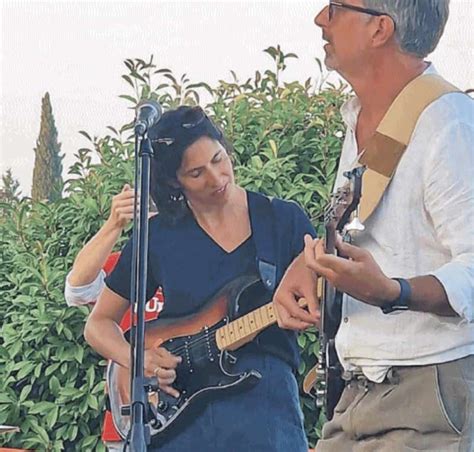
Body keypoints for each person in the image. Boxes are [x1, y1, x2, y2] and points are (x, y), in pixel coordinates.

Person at [274, 1, 474, 451]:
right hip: (360, 393)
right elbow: (368, 228)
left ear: (380, 29)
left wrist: (393, 291)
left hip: (429, 394)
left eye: (336, 8)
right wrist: (311, 265)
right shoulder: (380, 120)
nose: (320, 18)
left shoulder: (449, 124)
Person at [84, 105, 316, 451]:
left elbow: (326, 303)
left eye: (219, 159)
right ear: (172, 181)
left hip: (265, 407)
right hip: (180, 416)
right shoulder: (157, 237)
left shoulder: (282, 219)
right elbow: (98, 324)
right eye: (196, 173)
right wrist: (138, 359)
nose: (217, 177)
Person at [65, 185, 163, 451]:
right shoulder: (126, 267)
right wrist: (114, 224)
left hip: (189, 414)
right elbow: (76, 289)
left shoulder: (198, 264)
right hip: (127, 418)